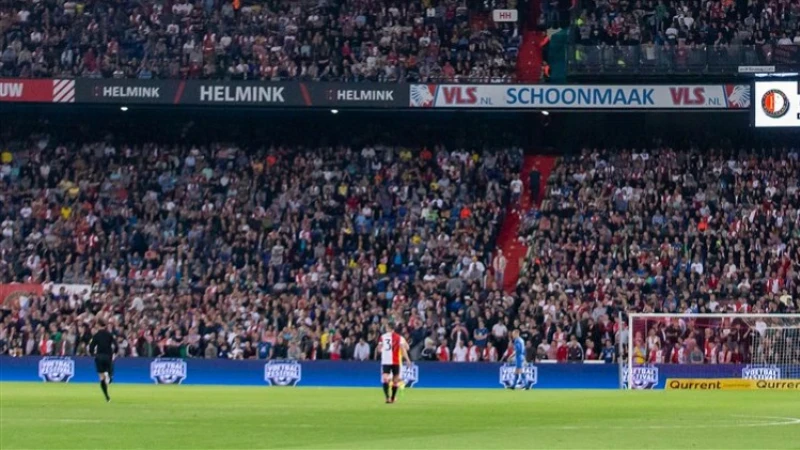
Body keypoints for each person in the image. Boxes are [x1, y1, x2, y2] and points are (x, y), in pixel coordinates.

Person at [376, 324, 411, 404]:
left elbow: (379, 349)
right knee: (395, 380)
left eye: (386, 327)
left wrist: (382, 350)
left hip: (386, 361)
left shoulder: (383, 337)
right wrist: (408, 360)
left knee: (385, 378)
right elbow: (404, 349)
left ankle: (387, 397)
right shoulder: (400, 337)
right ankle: (392, 398)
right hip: (396, 361)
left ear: (389, 328)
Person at [90, 319, 118, 402]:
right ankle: (109, 375)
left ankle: (107, 397)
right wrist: (114, 353)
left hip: (99, 357)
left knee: (101, 377)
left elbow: (91, 347)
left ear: (98, 325)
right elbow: (116, 345)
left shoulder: (96, 335)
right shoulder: (109, 335)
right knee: (108, 370)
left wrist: (93, 354)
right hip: (108, 356)